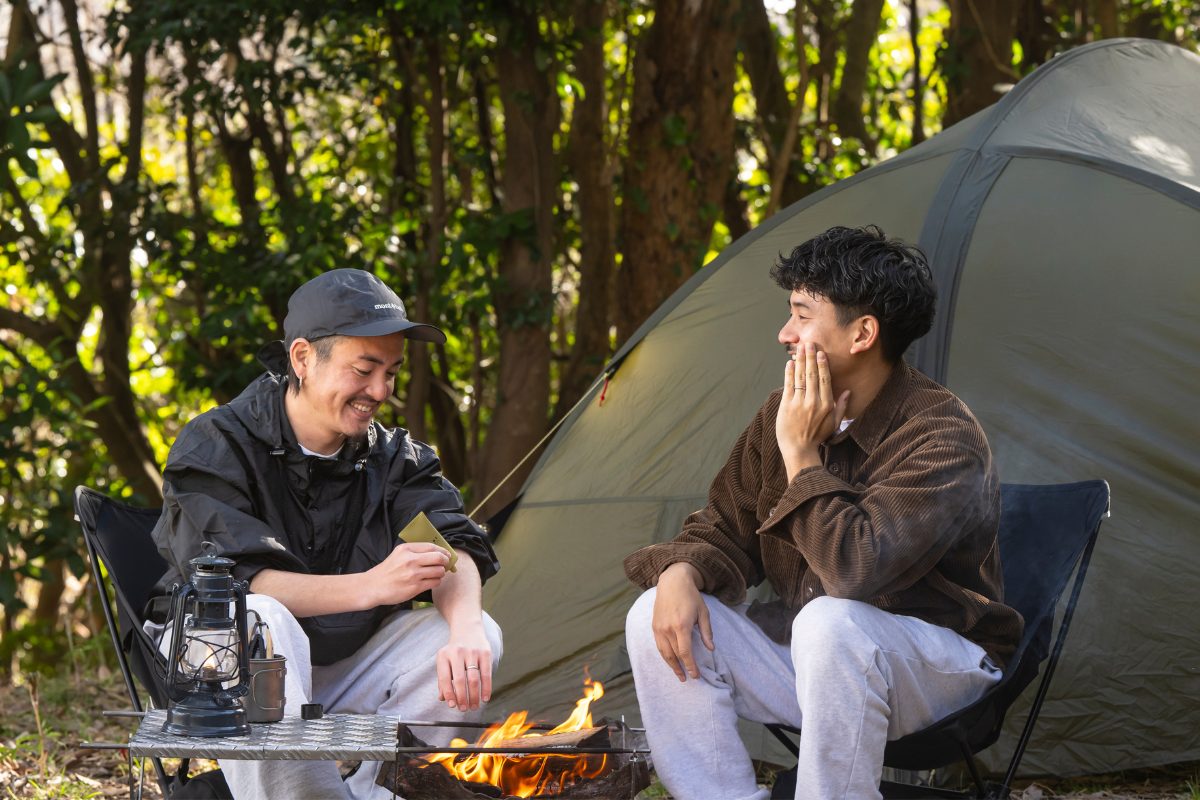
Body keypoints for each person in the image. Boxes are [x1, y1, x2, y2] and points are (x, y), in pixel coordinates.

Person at [623, 225, 1023, 800]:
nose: (785, 333)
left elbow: (856, 573)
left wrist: (803, 455)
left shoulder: (942, 435)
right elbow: (723, 525)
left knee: (829, 621)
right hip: (819, 664)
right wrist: (680, 571)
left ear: (862, 333)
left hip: (938, 667)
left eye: (803, 315)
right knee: (655, 612)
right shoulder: (782, 412)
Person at [151, 268, 502, 800]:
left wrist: (469, 628)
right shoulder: (217, 443)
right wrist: (372, 586)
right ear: (302, 359)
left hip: (338, 659)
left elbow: (449, 545)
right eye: (364, 369)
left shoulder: (394, 460)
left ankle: (374, 794)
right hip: (218, 666)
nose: (380, 390)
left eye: (391, 372)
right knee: (257, 619)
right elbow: (236, 582)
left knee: (471, 631)